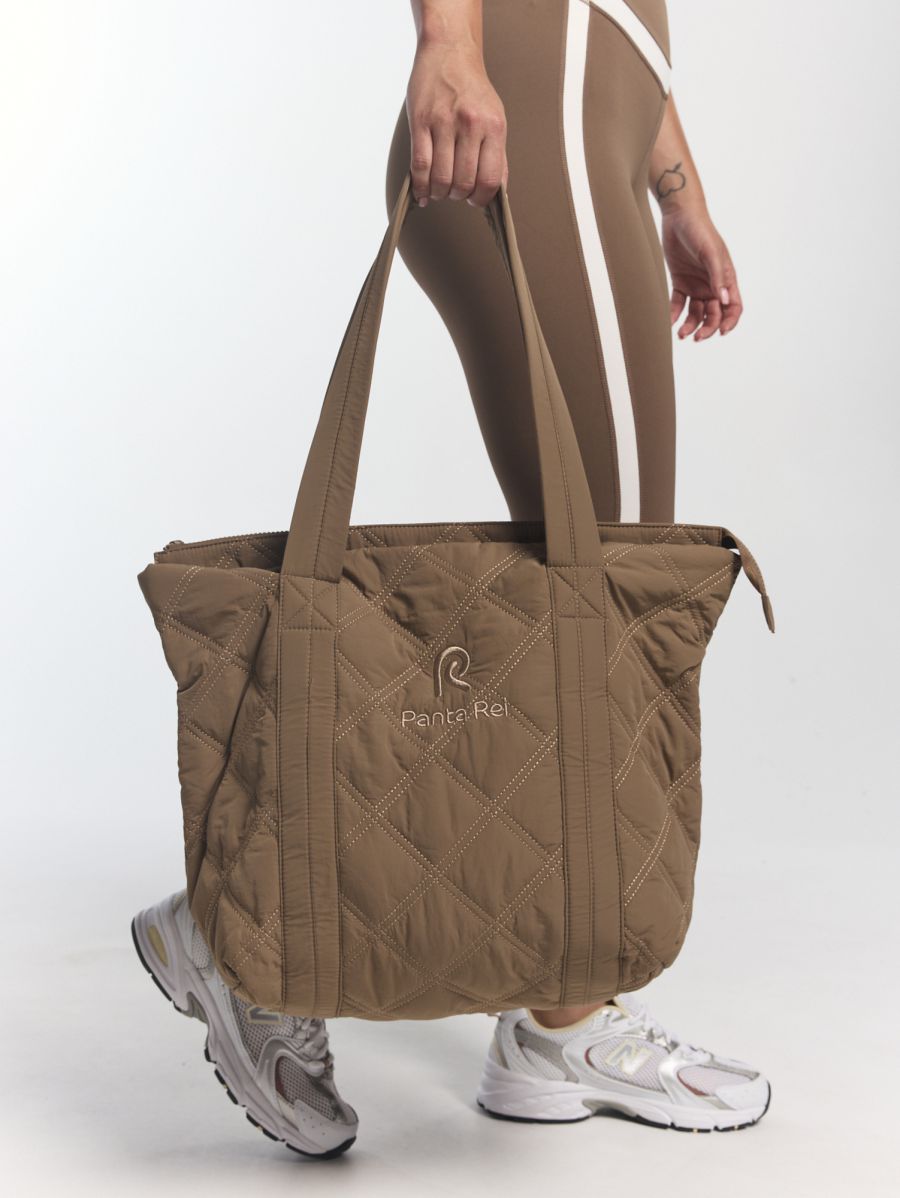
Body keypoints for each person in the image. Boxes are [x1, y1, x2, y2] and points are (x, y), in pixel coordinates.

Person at [131, 0, 769, 1159]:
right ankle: (252, 938)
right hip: (529, 101)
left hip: (591, 116)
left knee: (600, 581)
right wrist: (450, 43)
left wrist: (672, 179)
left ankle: (554, 1014)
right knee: (616, 580)